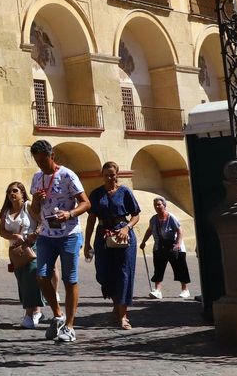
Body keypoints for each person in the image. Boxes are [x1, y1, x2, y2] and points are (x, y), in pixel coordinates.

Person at [29, 140, 90, 344]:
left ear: (52, 155)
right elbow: (34, 212)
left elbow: (86, 202)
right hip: (46, 234)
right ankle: (58, 314)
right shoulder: (37, 178)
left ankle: (70, 327)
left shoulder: (67, 175)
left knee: (69, 279)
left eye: (43, 161)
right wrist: (37, 200)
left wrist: (70, 213)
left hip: (69, 234)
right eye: (37, 162)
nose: (41, 166)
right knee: (41, 276)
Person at [83, 161, 142, 330]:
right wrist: (87, 243)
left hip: (123, 236)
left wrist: (126, 227)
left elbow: (135, 215)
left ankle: (123, 315)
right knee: (104, 273)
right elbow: (91, 219)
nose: (110, 177)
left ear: (117, 175)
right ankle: (116, 307)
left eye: (113, 174)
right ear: (102, 175)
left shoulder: (125, 192)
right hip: (102, 236)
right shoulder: (96, 194)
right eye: (107, 175)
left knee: (123, 273)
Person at [0, 181, 51, 329]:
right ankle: (36, 310)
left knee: (30, 278)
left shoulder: (27, 207)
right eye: (9, 192)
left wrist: (34, 234)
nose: (11, 194)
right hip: (15, 251)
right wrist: (14, 236)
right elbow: (2, 231)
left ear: (22, 193)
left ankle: (29, 315)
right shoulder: (6, 212)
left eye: (15, 191)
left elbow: (42, 222)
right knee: (22, 280)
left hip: (31, 247)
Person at [140, 197, 192, 300]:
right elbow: (150, 230)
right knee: (158, 268)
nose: (157, 207)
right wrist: (143, 242)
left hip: (174, 247)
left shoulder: (171, 217)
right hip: (159, 247)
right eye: (155, 205)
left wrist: (178, 244)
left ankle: (185, 290)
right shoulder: (153, 219)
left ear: (164, 205)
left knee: (180, 268)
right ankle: (157, 291)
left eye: (159, 204)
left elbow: (180, 231)